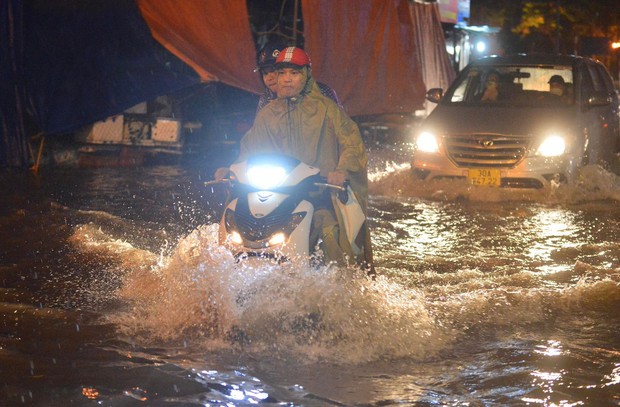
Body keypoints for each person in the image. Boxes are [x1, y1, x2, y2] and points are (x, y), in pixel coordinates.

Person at [216, 47, 373, 273]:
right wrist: (231, 170)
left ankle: (340, 287)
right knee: (234, 222)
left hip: (317, 195)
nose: (286, 79)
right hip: (277, 194)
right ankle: (224, 277)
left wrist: (342, 170)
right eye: (281, 73)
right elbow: (248, 150)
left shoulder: (327, 109)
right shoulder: (267, 113)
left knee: (328, 231)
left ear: (307, 75)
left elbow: (351, 143)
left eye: (294, 73)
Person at [254, 41, 342, 112]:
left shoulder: (323, 93)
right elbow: (258, 130)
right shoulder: (266, 98)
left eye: (274, 71)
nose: (269, 78)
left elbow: (342, 128)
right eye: (265, 73)